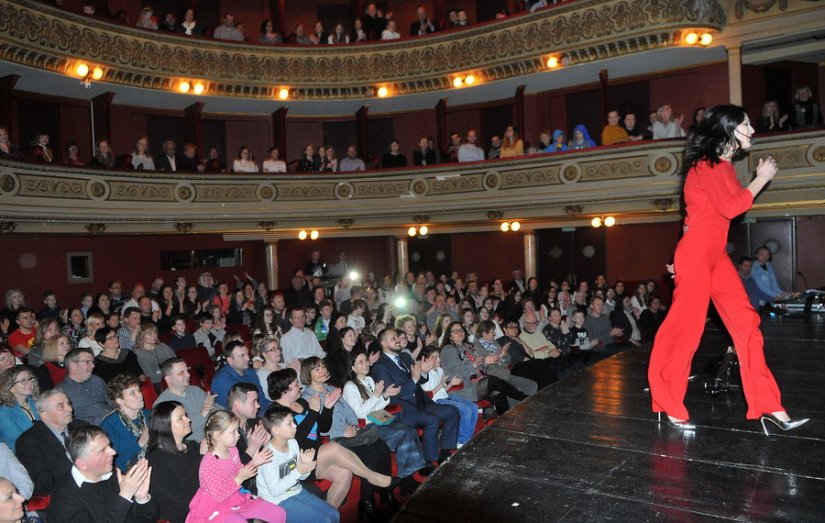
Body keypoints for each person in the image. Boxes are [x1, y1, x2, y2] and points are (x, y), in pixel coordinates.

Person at [647, 104, 808, 433]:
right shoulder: (706, 163)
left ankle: (767, 405)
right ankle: (667, 401)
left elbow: (715, 212)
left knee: (747, 321)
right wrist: (760, 179)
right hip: (696, 255)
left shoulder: (722, 166)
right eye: (746, 125)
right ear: (728, 129)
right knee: (686, 329)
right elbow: (733, 207)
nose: (752, 130)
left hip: (714, 255)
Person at [370, 329, 459, 466]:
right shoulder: (380, 366)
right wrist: (414, 380)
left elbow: (420, 380)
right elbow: (395, 393)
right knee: (432, 420)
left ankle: (445, 452)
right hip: (403, 409)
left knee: (452, 411)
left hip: (421, 402)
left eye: (397, 337)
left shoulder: (405, 357)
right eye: (393, 338)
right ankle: (429, 461)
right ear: (384, 343)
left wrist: (422, 372)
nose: (398, 340)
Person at [187, 411, 284, 522]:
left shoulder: (232, 450)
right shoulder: (209, 462)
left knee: (278, 513)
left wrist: (255, 462)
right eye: (233, 432)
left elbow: (238, 470)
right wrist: (240, 478)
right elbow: (219, 495)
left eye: (237, 430)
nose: (238, 435)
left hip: (234, 497)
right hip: (214, 506)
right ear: (217, 434)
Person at [49, 425, 159, 523]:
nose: (113, 452)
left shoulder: (115, 475)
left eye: (109, 446)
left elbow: (149, 519)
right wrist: (124, 497)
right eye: (102, 451)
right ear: (82, 463)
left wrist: (142, 498)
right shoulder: (64, 499)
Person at [257, 406, 341, 523]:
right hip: (277, 500)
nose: (295, 426)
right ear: (276, 430)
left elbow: (301, 477)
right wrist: (299, 471)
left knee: (334, 514)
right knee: (324, 520)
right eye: (289, 423)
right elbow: (275, 491)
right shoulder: (268, 456)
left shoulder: (292, 443)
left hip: (296, 490)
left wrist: (305, 464)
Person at [146, 401, 202, 523]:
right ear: (165, 425)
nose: (188, 420)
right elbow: (182, 496)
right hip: (181, 513)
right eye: (180, 418)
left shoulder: (193, 447)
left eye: (186, 415)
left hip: (202, 504)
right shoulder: (156, 459)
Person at [155, 357, 215, 442]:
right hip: (192, 446)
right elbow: (176, 436)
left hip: (214, 437)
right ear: (168, 379)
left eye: (187, 370)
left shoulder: (196, 390)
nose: (188, 375)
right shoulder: (162, 404)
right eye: (181, 373)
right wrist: (203, 413)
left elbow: (215, 410)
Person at [57, 347, 111, 425]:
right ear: (73, 365)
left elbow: (111, 403)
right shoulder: (61, 391)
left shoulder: (97, 380)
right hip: (91, 431)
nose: (93, 366)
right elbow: (67, 422)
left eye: (93, 362)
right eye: (88, 362)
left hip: (113, 421)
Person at [212, 340, 270, 410]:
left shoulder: (250, 372)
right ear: (230, 360)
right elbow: (240, 411)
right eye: (242, 356)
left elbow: (262, 400)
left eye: (247, 354)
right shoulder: (221, 381)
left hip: (260, 411)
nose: (248, 358)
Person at [0, 367, 40, 451]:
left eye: (30, 379)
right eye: (23, 381)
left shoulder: (35, 402)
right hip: (20, 454)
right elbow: (21, 440)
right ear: (11, 387)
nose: (29, 383)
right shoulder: (3, 412)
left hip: (41, 448)